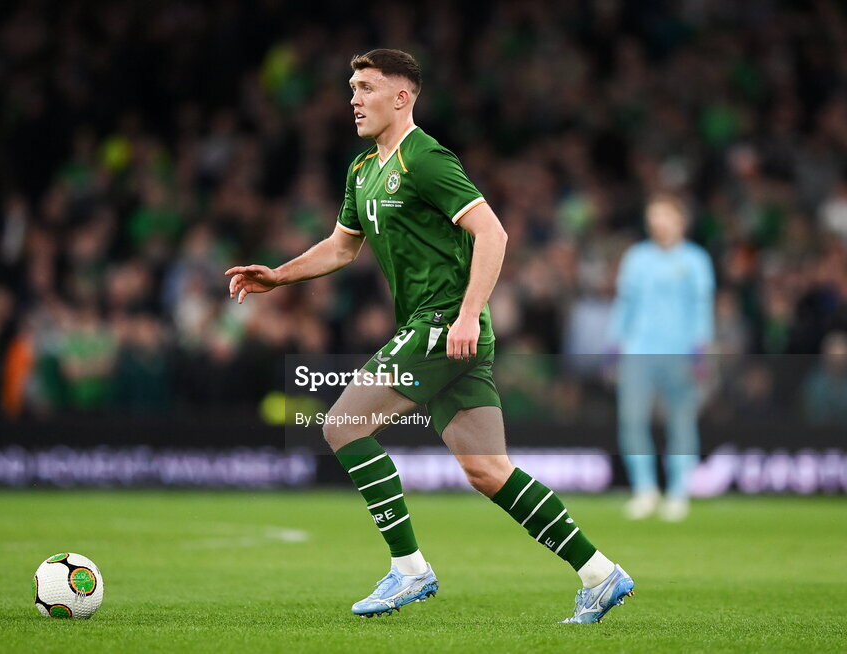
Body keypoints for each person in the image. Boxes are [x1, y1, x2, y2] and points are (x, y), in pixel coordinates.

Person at [227, 49, 633, 623]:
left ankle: (410, 570)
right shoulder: (363, 170)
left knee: (342, 424)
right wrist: (279, 274)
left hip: (444, 323)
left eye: (366, 87)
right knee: (488, 470)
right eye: (351, 87)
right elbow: (342, 247)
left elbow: (493, 233)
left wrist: (468, 314)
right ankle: (600, 573)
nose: (354, 98)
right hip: (439, 330)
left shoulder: (425, 158)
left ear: (402, 96)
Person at [609, 195, 715, 521]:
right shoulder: (637, 257)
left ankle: (678, 491)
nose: (658, 222)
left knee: (681, 421)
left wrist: (701, 348)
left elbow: (702, 307)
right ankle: (645, 490)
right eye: (653, 216)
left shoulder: (696, 260)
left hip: (680, 352)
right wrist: (613, 343)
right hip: (638, 350)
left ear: (680, 220)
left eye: (664, 216)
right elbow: (624, 303)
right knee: (631, 419)